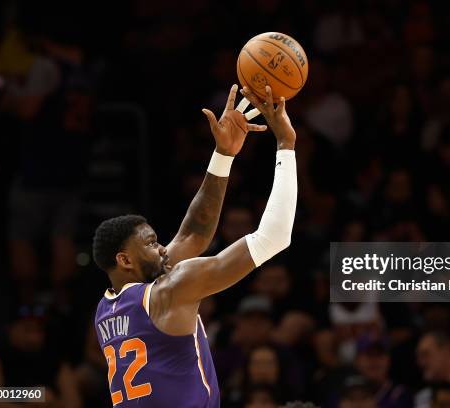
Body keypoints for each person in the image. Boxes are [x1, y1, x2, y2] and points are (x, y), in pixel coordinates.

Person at [92, 84, 298, 407]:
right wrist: (286, 145)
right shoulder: (171, 290)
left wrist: (224, 155)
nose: (163, 248)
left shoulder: (106, 311)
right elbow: (275, 237)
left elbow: (192, 235)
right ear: (125, 259)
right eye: (152, 243)